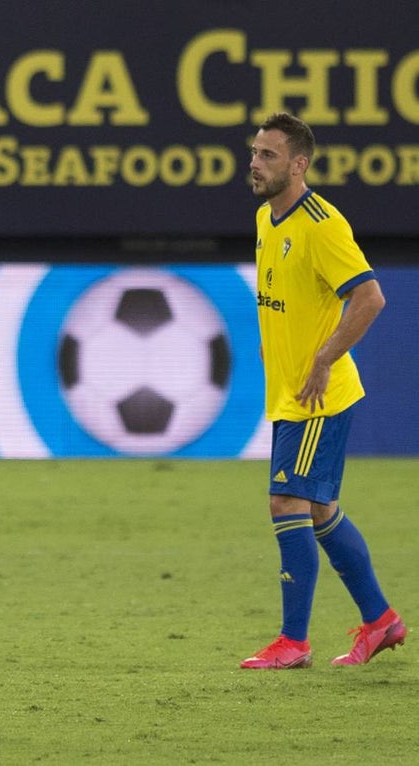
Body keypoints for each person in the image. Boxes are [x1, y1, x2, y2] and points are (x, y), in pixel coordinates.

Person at [239, 113, 405, 670]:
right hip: (290, 390)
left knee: (286, 501)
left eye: (268, 155)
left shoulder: (321, 222)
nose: (256, 163)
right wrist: (274, 345)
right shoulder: (267, 218)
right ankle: (381, 621)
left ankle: (293, 642)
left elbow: (370, 298)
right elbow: (280, 295)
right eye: (255, 152)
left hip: (318, 395)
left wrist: (324, 358)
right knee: (320, 511)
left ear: (299, 164)